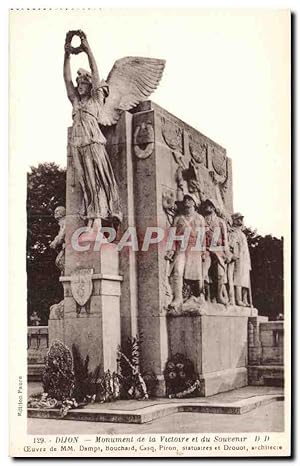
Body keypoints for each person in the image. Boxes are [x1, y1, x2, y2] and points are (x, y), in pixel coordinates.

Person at [63, 31, 121, 230]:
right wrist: (66, 55)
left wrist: (88, 51)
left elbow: (96, 75)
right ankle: (90, 217)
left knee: (96, 179)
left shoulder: (96, 99)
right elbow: (66, 80)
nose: (79, 86)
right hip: (78, 143)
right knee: (85, 182)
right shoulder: (76, 102)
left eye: (83, 83)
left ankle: (98, 218)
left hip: (93, 142)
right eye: (79, 84)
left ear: (90, 86)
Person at [165, 193, 205, 313]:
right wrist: (171, 249)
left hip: (194, 250)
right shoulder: (178, 218)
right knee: (177, 271)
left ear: (194, 203)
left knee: (195, 275)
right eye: (186, 199)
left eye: (189, 199)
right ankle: (178, 297)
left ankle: (197, 296)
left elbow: (202, 236)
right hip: (180, 248)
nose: (186, 201)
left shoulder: (199, 218)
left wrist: (202, 251)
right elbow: (172, 236)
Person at [202, 199, 229, 305]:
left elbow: (225, 239)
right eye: (206, 205)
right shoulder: (202, 220)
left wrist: (226, 253)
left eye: (209, 205)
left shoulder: (220, 221)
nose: (206, 207)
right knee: (204, 273)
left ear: (213, 207)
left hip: (218, 249)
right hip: (207, 249)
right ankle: (206, 296)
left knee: (220, 274)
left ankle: (218, 296)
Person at [227, 212, 252, 306]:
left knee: (245, 279)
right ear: (234, 220)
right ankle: (238, 299)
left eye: (241, 219)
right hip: (238, 258)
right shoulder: (232, 232)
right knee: (238, 279)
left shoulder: (242, 234)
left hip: (245, 259)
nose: (240, 221)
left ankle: (245, 299)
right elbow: (230, 245)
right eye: (238, 219)